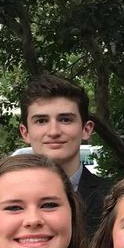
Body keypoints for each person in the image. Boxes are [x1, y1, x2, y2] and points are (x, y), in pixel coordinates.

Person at [20, 73, 111, 235]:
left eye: (65, 120)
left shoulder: (114, 200)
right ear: (25, 132)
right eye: (41, 121)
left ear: (86, 129)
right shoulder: (2, 201)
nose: (54, 132)